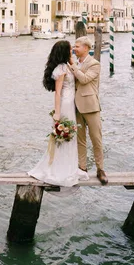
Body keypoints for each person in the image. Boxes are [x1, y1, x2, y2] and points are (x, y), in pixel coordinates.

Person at [28, 40, 89, 187]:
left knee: (71, 135)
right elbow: (57, 93)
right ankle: (60, 169)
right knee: (65, 135)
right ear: (64, 52)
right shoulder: (61, 69)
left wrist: (72, 61)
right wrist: (57, 112)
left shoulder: (67, 66)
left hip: (70, 103)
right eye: (69, 49)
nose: (72, 51)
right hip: (65, 104)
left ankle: (69, 167)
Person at [69, 36, 108, 185]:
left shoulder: (94, 64)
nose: (74, 48)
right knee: (80, 140)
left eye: (77, 46)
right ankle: (82, 168)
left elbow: (84, 79)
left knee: (96, 139)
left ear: (86, 48)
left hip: (91, 106)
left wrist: (73, 66)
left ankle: (100, 169)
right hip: (76, 106)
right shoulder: (74, 63)